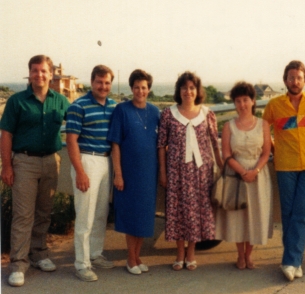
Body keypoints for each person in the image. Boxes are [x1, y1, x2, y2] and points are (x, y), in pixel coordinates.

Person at [0, 55, 70, 287]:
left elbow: (78, 122)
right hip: (24, 162)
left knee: (44, 211)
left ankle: (39, 253)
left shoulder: (60, 101)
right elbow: (6, 134)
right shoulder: (17, 101)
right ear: (29, 74)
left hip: (51, 161)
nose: (39, 75)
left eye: (44, 71)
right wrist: (7, 166)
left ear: (52, 74)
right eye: (35, 71)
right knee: (23, 215)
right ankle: (18, 264)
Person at [262, 60, 305, 281]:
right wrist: (273, 147)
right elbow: (265, 127)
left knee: (302, 212)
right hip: (285, 165)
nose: (295, 81)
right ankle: (293, 260)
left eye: (299, 77)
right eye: (291, 78)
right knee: (288, 213)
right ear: (285, 81)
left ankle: (291, 260)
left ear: (304, 80)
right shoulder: (275, 105)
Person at [158, 71, 222, 271]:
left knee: (196, 212)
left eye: (192, 88)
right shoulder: (169, 114)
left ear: (197, 90)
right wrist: (163, 171)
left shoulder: (207, 114)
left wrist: (223, 168)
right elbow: (161, 145)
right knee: (178, 211)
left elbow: (214, 142)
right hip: (176, 172)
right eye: (184, 88)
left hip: (201, 173)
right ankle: (179, 253)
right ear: (179, 90)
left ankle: (191, 254)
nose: (188, 91)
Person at [66, 65, 117, 282]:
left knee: (100, 213)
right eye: (99, 82)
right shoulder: (79, 106)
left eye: (107, 83)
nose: (103, 86)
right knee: (85, 215)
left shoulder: (114, 106)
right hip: (87, 160)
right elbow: (71, 140)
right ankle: (81, 263)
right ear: (91, 82)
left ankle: (95, 254)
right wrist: (80, 171)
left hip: (106, 161)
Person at [215, 82, 273, 270]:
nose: (242, 104)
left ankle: (249, 255)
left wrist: (254, 171)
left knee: (255, 215)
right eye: (238, 101)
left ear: (253, 101)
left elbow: (266, 153)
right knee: (238, 217)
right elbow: (226, 154)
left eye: (245, 100)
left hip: (258, 175)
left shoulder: (263, 125)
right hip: (236, 175)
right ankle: (240, 255)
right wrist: (242, 171)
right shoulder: (229, 126)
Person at [108, 69, 160, 275]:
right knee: (131, 216)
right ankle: (130, 259)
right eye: (136, 87)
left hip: (149, 174)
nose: (140, 91)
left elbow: (161, 145)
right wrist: (118, 174)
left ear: (149, 89)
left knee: (144, 217)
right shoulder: (122, 110)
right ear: (131, 89)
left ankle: (138, 256)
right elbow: (115, 144)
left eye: (144, 87)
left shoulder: (156, 112)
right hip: (129, 173)